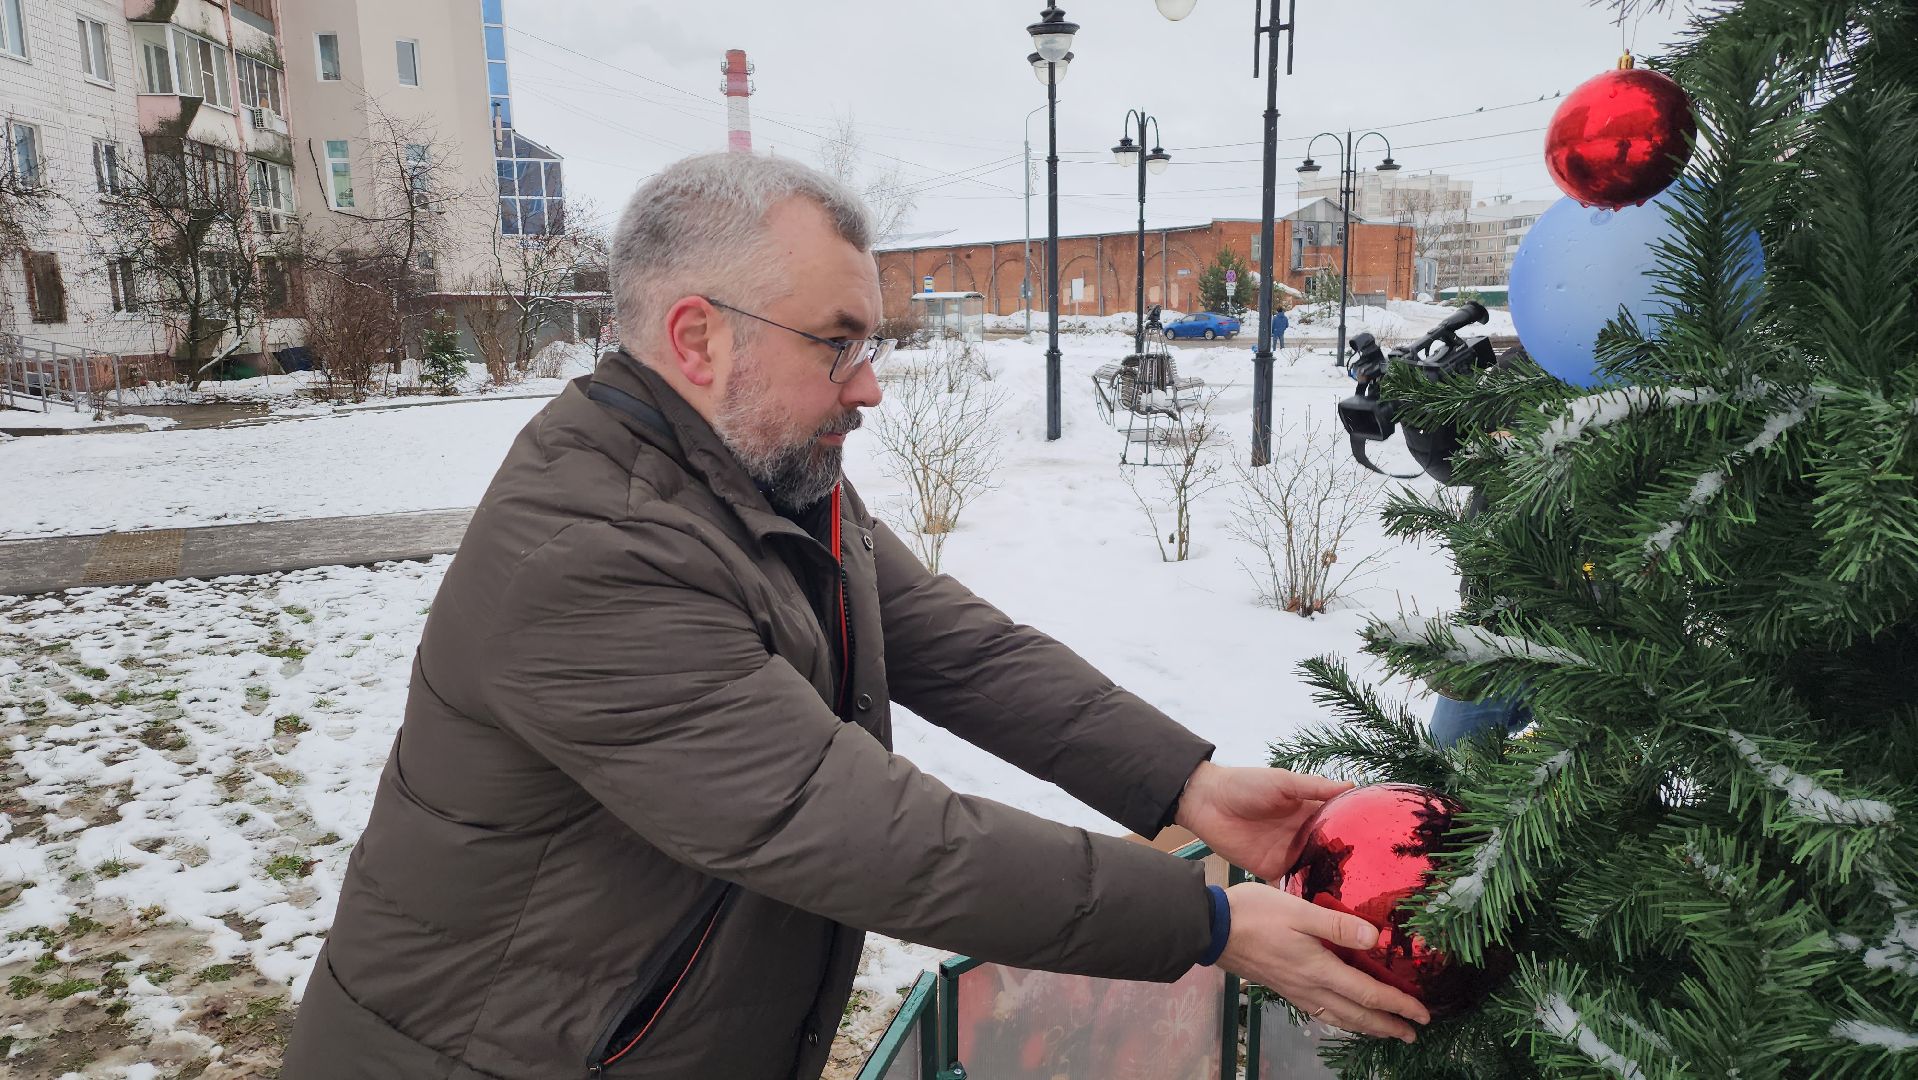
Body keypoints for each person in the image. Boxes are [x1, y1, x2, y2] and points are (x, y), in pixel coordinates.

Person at [282, 153, 1429, 1080]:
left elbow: (957, 645)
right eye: (838, 342)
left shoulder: (760, 472)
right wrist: (1205, 924)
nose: (870, 383)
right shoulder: (591, 556)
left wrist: (1184, 787)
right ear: (698, 339)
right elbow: (863, 833)